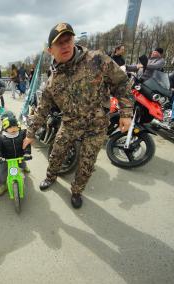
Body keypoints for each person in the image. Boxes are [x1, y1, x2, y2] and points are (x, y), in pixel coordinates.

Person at [22, 23, 133, 209]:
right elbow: (42, 108)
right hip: (70, 123)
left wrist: (126, 113)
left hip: (96, 125)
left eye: (68, 40)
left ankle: (76, 191)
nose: (65, 46)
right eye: (59, 43)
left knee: (87, 163)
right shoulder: (52, 80)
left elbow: (121, 84)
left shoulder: (97, 59)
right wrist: (30, 133)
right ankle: (51, 177)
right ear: (51, 50)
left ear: (73, 40)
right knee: (57, 153)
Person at [0, 111, 31, 196]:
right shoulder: (2, 137)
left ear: (18, 126)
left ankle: (24, 167)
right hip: (6, 158)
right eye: (10, 127)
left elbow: (26, 144)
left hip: (20, 156)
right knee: (1, 171)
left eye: (15, 126)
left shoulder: (22, 134)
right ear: (5, 128)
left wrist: (27, 153)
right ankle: (4, 185)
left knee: (22, 163)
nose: (13, 129)